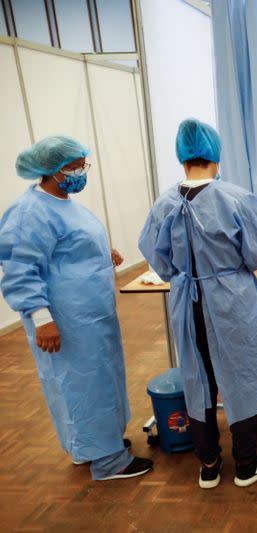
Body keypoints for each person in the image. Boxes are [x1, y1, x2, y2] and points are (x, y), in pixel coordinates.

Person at [138, 119, 257, 489]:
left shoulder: (163, 204)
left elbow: (160, 261)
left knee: (198, 379)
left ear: (182, 157)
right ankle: (246, 466)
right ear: (216, 155)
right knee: (243, 377)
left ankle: (209, 466)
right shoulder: (235, 198)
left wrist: (188, 273)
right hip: (232, 302)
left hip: (187, 303)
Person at [0, 136, 152, 481]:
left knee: (98, 381)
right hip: (66, 320)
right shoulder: (30, 213)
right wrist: (41, 319)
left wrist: (104, 254)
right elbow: (21, 269)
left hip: (89, 316)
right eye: (75, 166)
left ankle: (93, 446)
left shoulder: (63, 203)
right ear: (53, 171)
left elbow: (68, 250)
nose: (82, 171)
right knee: (82, 386)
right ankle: (109, 462)